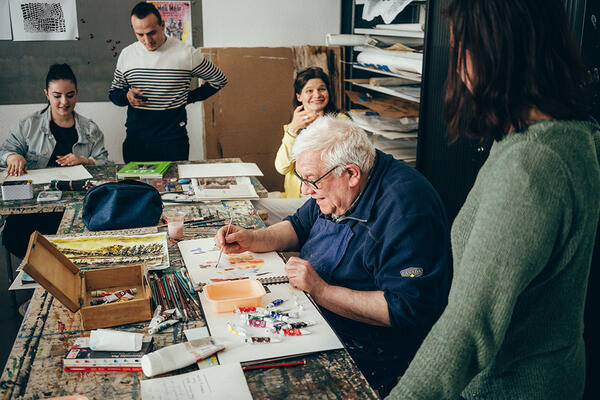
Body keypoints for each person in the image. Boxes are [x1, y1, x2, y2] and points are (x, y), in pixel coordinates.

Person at [387, 0, 600, 399]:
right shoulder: (572, 132)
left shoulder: (532, 163)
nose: (458, 69)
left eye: (459, 50)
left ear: (493, 50)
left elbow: (469, 325)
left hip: (512, 385)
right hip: (554, 372)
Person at [216, 116, 451, 396]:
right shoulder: (337, 185)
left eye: (311, 180)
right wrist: (253, 237)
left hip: (372, 349)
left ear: (352, 174)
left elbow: (407, 307)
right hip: (316, 314)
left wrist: (321, 291)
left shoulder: (407, 212)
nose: (305, 190)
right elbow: (300, 225)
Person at [0, 63, 109, 258]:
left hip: (76, 202)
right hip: (34, 204)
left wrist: (85, 160)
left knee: (84, 237)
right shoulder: (27, 126)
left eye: (70, 95)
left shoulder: (90, 129)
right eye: (57, 96)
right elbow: (6, 151)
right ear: (46, 94)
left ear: (77, 93)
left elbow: (105, 164)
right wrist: (12, 156)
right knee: (13, 237)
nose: (64, 102)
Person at [109, 1, 227, 162]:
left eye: (152, 33)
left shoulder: (187, 54)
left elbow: (219, 80)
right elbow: (114, 93)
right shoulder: (127, 54)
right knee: (135, 187)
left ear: (162, 25)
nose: (147, 40)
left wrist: (188, 97)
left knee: (176, 187)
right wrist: (127, 97)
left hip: (173, 142)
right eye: (140, 35)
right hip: (136, 141)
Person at [275, 67, 341, 198]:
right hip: (296, 196)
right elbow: (282, 168)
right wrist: (292, 130)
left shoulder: (340, 122)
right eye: (309, 91)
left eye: (322, 89)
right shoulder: (294, 126)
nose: (317, 95)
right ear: (299, 96)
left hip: (324, 195)